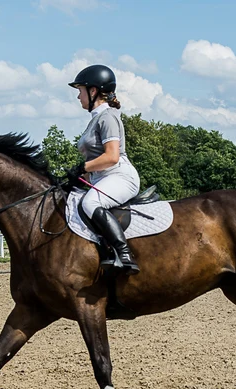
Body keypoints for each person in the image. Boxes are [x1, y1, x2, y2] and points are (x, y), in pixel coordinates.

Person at [65, 64, 141, 275]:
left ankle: (123, 254)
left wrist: (82, 167)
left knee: (91, 202)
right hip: (101, 177)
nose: (78, 97)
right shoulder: (95, 119)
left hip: (120, 176)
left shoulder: (108, 117)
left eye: (80, 91)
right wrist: (78, 176)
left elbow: (111, 156)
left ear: (93, 91)